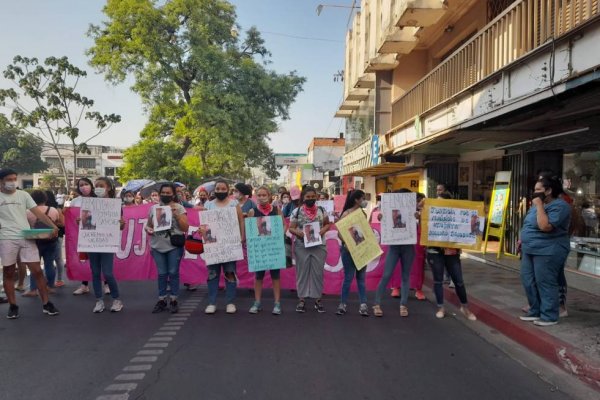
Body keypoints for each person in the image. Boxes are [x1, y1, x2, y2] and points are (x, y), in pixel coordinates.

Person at [0, 168, 60, 318]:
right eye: (9, 179)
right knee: (8, 271)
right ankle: (13, 306)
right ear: (1, 181)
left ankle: (47, 303)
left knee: (37, 271)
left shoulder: (23, 195)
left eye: (15, 178)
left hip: (26, 236)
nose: (12, 182)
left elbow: (38, 212)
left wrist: (53, 226)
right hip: (6, 238)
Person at [519, 176, 571, 326]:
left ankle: (549, 315)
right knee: (528, 280)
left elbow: (545, 226)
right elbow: (529, 224)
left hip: (548, 250)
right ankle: (535, 310)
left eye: (538, 190)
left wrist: (540, 205)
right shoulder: (535, 205)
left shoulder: (560, 206)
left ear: (548, 191)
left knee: (545, 282)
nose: (534, 193)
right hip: (529, 249)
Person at [428, 192, 477, 321]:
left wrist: (481, 215)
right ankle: (440, 308)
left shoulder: (457, 216)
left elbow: (473, 229)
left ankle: (465, 307)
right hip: (435, 252)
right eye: (437, 202)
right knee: (438, 280)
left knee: (459, 281)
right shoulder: (430, 214)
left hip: (452, 253)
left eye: (442, 202)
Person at [201, 180, 244, 314]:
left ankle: (230, 302)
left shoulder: (234, 203)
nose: (220, 191)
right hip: (213, 245)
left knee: (230, 273)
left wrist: (242, 237)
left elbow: (241, 220)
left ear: (227, 189)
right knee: (212, 274)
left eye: (223, 188)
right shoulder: (208, 205)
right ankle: (212, 302)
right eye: (218, 188)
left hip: (230, 244)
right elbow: (204, 223)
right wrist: (201, 231)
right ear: (214, 190)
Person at [146, 183, 189, 314]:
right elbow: (148, 225)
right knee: (162, 273)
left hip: (173, 246)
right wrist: (148, 229)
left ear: (173, 194)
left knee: (173, 272)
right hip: (157, 245)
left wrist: (176, 215)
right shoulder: (153, 208)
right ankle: (162, 299)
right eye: (163, 192)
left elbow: (185, 228)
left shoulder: (179, 208)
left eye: (168, 193)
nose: (165, 195)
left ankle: (174, 299)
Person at [373, 188, 416, 317]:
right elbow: (384, 222)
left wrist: (418, 217)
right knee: (386, 275)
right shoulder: (389, 208)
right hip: (394, 246)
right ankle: (377, 304)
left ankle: (403, 305)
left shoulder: (413, 210)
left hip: (408, 246)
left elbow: (416, 226)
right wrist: (381, 218)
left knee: (405, 276)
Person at [288, 187, 331, 313]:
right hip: (302, 246)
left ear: (316, 197)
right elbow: (291, 228)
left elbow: (328, 224)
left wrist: (323, 230)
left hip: (319, 246)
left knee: (318, 273)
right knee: (302, 273)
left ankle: (318, 300)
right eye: (308, 197)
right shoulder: (296, 212)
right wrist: (299, 233)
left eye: (313, 197)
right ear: (303, 198)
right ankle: (301, 300)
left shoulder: (322, 210)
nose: (311, 199)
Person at [87, 177, 124, 313]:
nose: (98, 188)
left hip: (107, 242)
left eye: (101, 185)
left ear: (108, 187)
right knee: (95, 272)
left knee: (108, 273)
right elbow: (87, 223)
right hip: (92, 242)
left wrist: (121, 224)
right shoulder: (89, 204)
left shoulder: (115, 205)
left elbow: (120, 226)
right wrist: (81, 221)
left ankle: (116, 299)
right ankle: (99, 301)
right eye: (96, 185)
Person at [247, 186, 283, 315]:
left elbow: (283, 226)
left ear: (269, 196)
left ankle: (277, 303)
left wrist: (278, 237)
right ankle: (257, 302)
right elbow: (250, 231)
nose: (262, 197)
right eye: (259, 195)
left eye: (264, 195)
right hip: (259, 249)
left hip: (273, 249)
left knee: (275, 276)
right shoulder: (252, 211)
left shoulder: (277, 210)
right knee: (258, 277)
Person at [22, 190, 62, 297]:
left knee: (34, 266)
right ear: (45, 199)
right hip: (51, 241)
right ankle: (50, 286)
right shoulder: (53, 210)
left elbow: (25, 226)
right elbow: (59, 222)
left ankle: (33, 289)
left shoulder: (28, 212)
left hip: (34, 242)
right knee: (49, 264)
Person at [336, 190, 369, 316]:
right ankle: (343, 304)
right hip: (348, 250)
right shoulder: (346, 214)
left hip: (362, 249)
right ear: (356, 200)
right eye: (363, 198)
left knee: (361, 279)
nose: (364, 201)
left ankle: (363, 305)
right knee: (348, 278)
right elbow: (339, 233)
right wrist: (349, 244)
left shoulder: (363, 214)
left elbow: (366, 232)